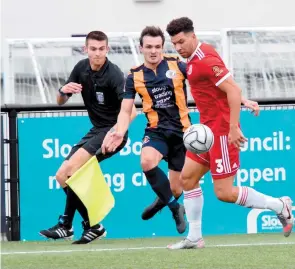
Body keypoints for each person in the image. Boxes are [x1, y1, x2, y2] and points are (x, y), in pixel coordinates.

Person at [165, 17, 294, 249]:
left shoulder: (205, 59)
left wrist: (233, 127)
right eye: (174, 44)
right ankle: (195, 237)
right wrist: (243, 99)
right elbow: (225, 87)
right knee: (187, 179)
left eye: (181, 41)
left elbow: (233, 88)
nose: (178, 47)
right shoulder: (194, 57)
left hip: (222, 132)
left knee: (224, 193)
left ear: (193, 36)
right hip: (206, 132)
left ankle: (279, 205)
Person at [39, 31, 137, 244]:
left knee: (72, 171)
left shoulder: (114, 75)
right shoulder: (81, 68)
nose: (97, 53)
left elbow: (132, 112)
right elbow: (60, 100)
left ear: (107, 49)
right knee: (61, 176)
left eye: (102, 49)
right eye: (93, 49)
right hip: (96, 130)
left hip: (112, 133)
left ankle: (66, 224)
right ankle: (93, 226)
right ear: (86, 49)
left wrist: (117, 134)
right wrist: (62, 90)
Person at [102, 26, 191, 234]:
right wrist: (120, 131)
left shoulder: (178, 66)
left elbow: (205, 82)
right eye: (149, 46)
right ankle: (175, 208)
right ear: (141, 48)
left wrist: (239, 98)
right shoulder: (134, 76)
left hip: (182, 133)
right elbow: (125, 111)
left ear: (163, 47)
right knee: (147, 161)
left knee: (176, 189)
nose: (153, 51)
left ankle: (164, 201)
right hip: (156, 131)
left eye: (157, 46)